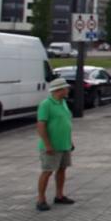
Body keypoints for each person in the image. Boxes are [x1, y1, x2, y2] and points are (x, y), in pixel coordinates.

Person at [36, 78, 75, 211]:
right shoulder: (46, 104)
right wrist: (47, 145)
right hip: (51, 146)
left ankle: (59, 195)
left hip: (64, 144)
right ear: (59, 90)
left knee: (62, 169)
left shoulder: (63, 102)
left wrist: (70, 141)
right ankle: (41, 199)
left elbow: (65, 122)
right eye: (66, 88)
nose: (68, 90)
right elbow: (41, 125)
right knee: (47, 171)